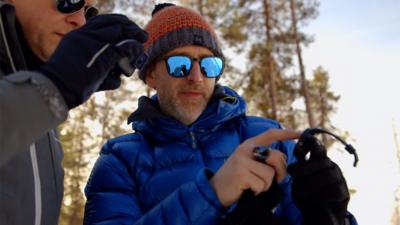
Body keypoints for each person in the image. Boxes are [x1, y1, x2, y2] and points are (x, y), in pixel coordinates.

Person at [84, 3, 357, 225]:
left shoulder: (268, 138)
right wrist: (211, 195)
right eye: (179, 64)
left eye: (209, 64)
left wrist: (332, 216)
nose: (195, 76)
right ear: (151, 75)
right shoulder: (118, 161)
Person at [0, 0, 148, 224]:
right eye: (69, 2)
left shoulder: (41, 106)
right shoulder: (44, 97)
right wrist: (52, 88)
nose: (80, 21)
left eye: (88, 11)